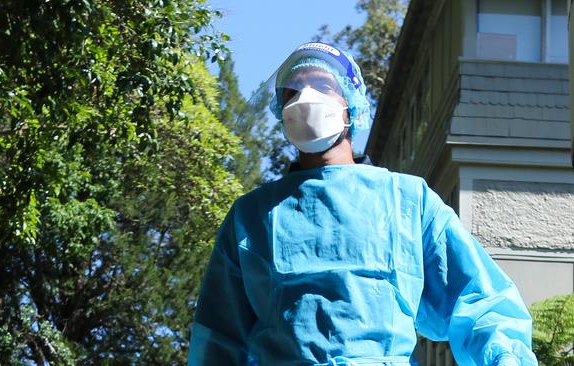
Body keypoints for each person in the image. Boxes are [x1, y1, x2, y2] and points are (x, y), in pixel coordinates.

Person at [187, 42, 538, 366]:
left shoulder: (408, 201)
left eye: (323, 86)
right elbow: (219, 340)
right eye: (292, 91)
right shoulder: (251, 217)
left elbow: (484, 304)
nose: (305, 98)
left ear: (351, 106)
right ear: (281, 110)